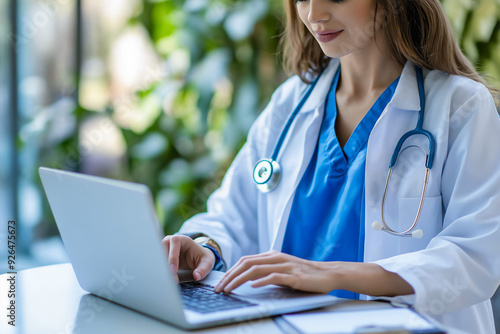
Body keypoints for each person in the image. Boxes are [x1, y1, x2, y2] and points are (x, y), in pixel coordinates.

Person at [162, 0, 500, 332]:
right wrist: (206, 245)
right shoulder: (291, 102)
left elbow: (476, 256)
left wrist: (332, 274)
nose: (314, 15)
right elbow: (233, 216)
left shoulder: (461, 107)